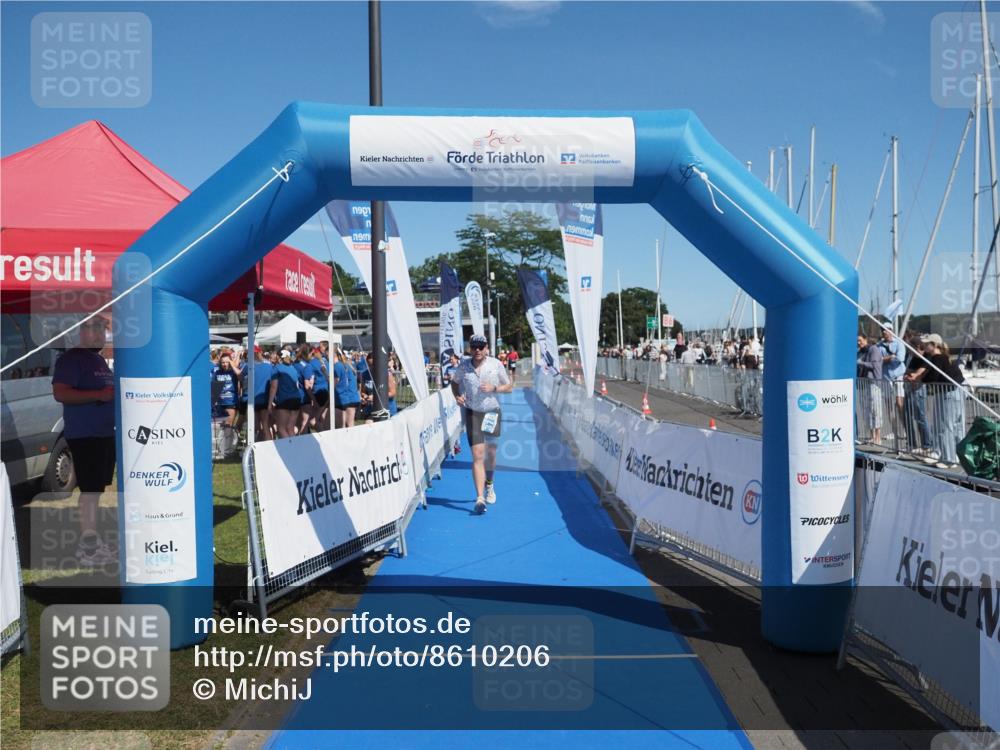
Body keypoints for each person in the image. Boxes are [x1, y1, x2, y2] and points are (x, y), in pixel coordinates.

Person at [52, 316, 115, 566]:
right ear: (81, 331)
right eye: (93, 328)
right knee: (89, 491)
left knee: (96, 490)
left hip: (104, 434)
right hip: (85, 434)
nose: (100, 334)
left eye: (102, 328)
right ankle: (87, 549)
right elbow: (61, 392)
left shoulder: (98, 359)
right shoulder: (72, 359)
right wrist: (99, 394)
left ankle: (93, 542)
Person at [451, 334, 513, 515]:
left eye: (481, 346)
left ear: (486, 348)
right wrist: (457, 396)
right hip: (472, 412)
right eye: (474, 347)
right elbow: (454, 383)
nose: (477, 350)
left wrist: (495, 388)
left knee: (490, 454)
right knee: (478, 455)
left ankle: (490, 484)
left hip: (492, 412)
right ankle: (479, 498)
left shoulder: (495, 364)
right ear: (470, 348)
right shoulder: (464, 366)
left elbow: (509, 386)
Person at [921, 334, 966, 468]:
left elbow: (933, 376)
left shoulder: (937, 358)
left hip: (948, 393)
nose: (924, 346)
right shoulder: (944, 357)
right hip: (958, 391)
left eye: (927, 343)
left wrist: (919, 379)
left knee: (945, 426)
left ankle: (948, 459)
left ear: (934, 345)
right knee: (956, 426)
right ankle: (958, 456)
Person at [903, 335, 935, 460]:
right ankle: (912, 444)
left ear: (916, 347)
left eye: (910, 347)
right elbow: (907, 374)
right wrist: (910, 375)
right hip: (909, 389)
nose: (909, 350)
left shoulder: (925, 357)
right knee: (907, 416)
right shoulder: (913, 358)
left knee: (920, 417)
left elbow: (916, 376)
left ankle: (927, 445)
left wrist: (911, 375)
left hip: (918, 390)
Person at [237, 345, 274, 442]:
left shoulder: (248, 366)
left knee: (253, 427)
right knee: (265, 426)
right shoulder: (269, 366)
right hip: (264, 399)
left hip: (252, 400)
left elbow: (240, 377)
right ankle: (268, 448)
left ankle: (252, 448)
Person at [269, 349, 304, 438]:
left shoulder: (277, 368)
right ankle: (294, 449)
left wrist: (269, 404)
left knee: (281, 428)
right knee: (290, 428)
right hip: (296, 399)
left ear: (279, 357)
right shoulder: (293, 368)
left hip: (284, 399)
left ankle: (289, 450)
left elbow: (273, 387)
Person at [857, 334, 884, 445]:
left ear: (866, 339)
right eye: (857, 341)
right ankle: (872, 436)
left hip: (873, 383)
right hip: (863, 383)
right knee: (867, 410)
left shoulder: (874, 349)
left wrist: (860, 363)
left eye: (860, 340)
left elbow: (875, 365)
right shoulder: (859, 352)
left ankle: (878, 437)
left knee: (875, 409)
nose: (859, 343)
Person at [359, 352, 398, 421]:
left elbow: (392, 393)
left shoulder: (387, 374)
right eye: (369, 365)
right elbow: (362, 391)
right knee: (368, 425)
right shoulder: (365, 374)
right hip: (373, 409)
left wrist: (375, 397)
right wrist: (364, 397)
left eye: (373, 365)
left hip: (387, 409)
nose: (371, 367)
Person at [333, 347, 360, 428]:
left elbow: (336, 382)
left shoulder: (339, 366)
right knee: (349, 425)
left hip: (347, 397)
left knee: (343, 426)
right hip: (353, 397)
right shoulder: (347, 365)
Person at [212, 351, 240, 427]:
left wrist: (232, 364)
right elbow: (214, 388)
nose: (224, 364)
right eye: (223, 362)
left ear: (230, 362)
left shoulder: (233, 372)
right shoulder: (217, 373)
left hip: (230, 402)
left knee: (228, 425)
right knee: (222, 427)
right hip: (220, 403)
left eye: (227, 362)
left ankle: (230, 438)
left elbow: (239, 375)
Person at [310, 348, 331, 431]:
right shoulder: (326, 362)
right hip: (327, 391)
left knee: (313, 420)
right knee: (322, 419)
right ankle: (326, 438)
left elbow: (310, 379)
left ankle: (324, 438)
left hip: (318, 392)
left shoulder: (312, 363)